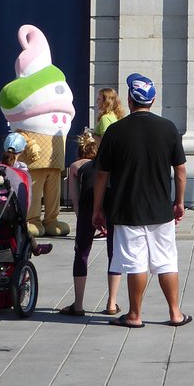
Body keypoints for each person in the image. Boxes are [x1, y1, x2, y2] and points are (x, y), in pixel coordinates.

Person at [92, 74, 190, 328]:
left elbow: (102, 174)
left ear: (130, 100)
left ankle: (135, 315)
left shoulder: (115, 131)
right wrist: (179, 201)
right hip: (160, 209)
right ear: (153, 99)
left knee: (136, 263)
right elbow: (180, 170)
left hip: (127, 209)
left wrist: (97, 208)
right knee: (167, 261)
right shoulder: (168, 128)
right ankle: (175, 313)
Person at [59, 130, 122, 317]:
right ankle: (112, 303)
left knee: (82, 252)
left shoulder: (76, 166)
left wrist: (83, 219)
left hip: (88, 204)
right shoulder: (108, 165)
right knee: (114, 253)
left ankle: (78, 305)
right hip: (111, 205)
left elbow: (75, 199)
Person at [0, 132, 53, 257]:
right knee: (21, 224)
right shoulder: (21, 168)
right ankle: (35, 248)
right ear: (22, 150)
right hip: (9, 208)